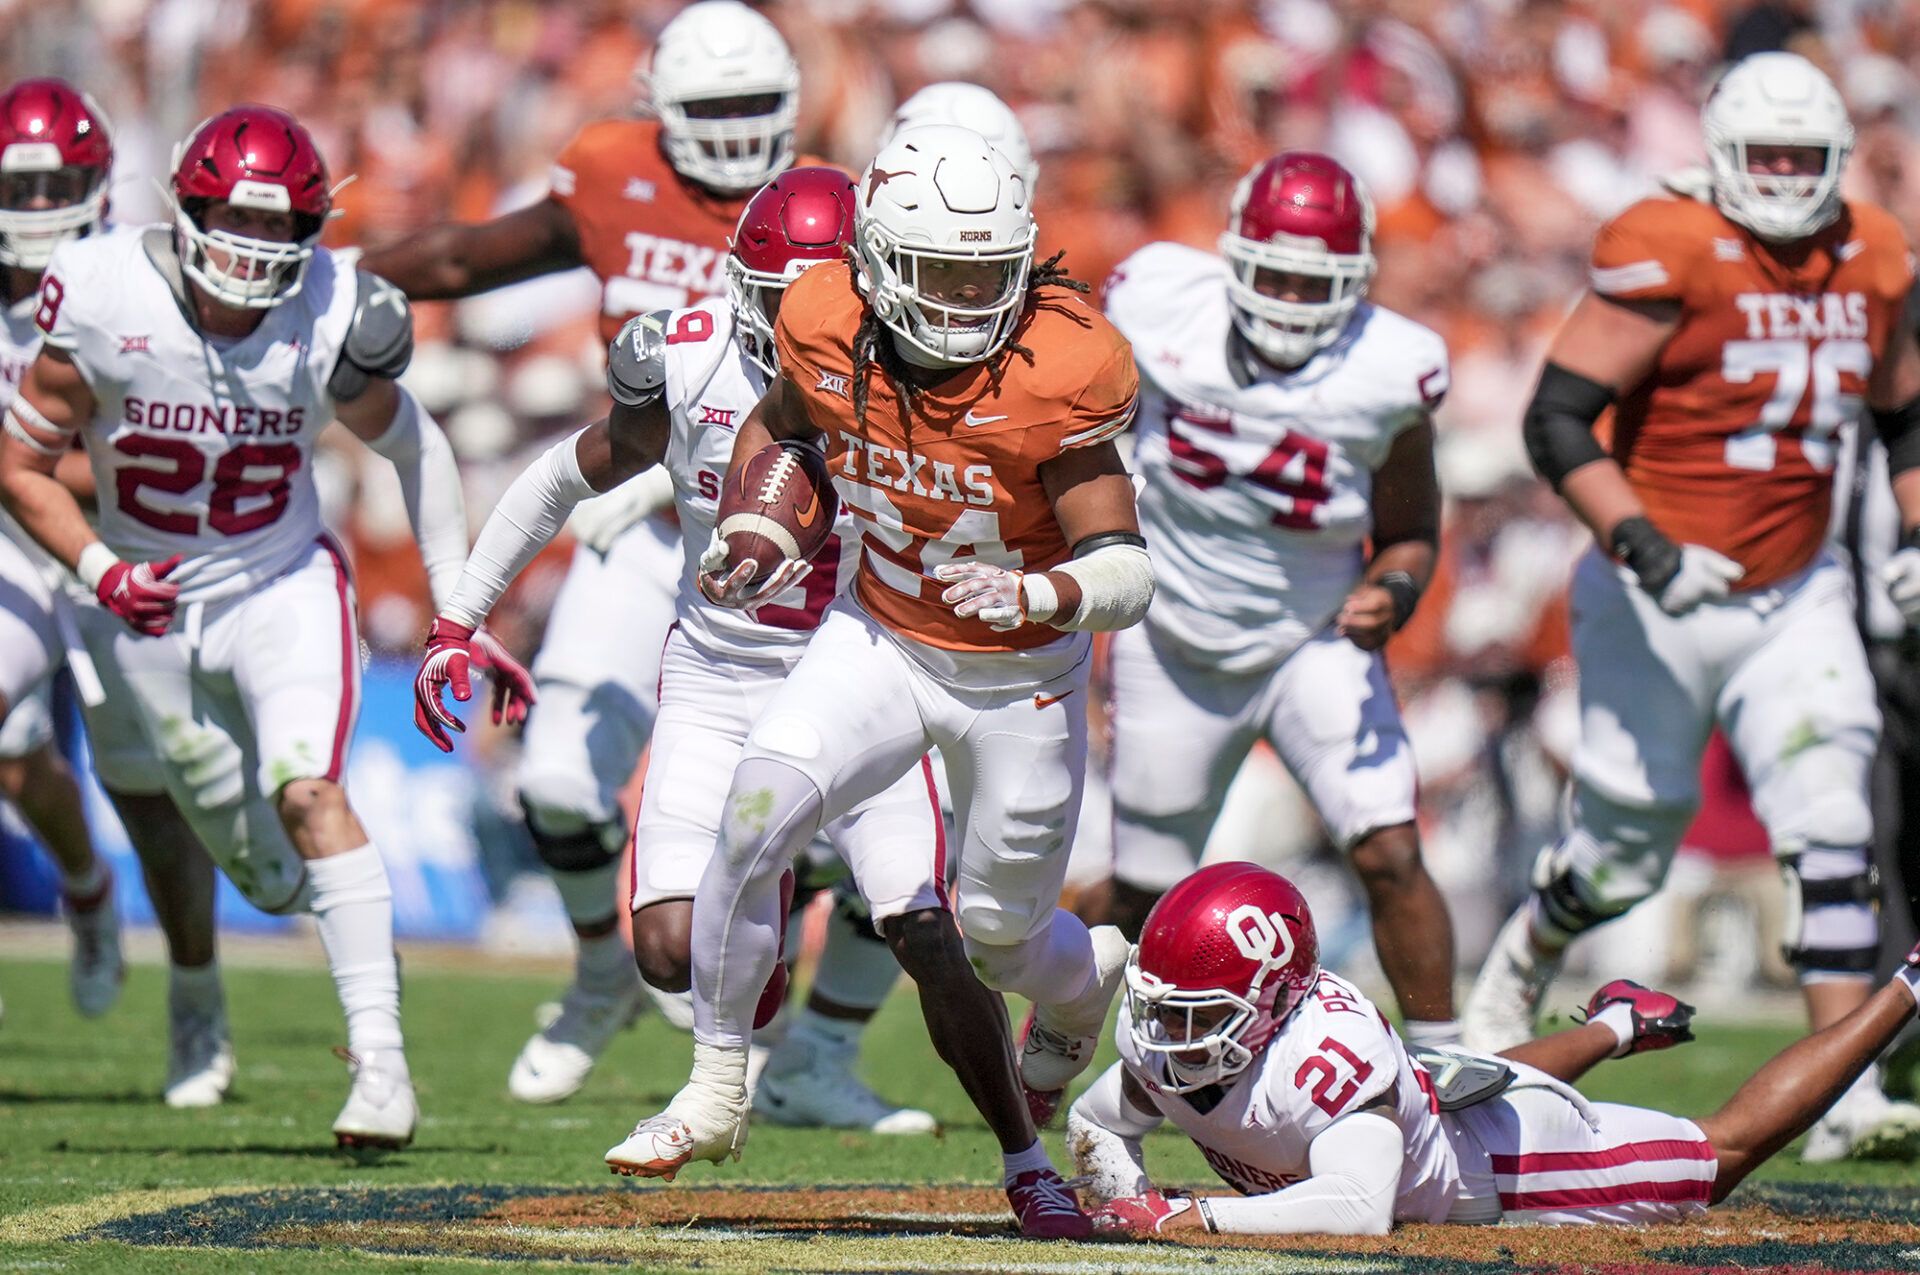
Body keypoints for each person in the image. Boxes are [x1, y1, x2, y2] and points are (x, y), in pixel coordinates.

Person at [362, 4, 910, 1122]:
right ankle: (604, 971)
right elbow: (472, 253)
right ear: (659, 112)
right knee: (559, 781)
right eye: (708, 110)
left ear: (793, 113)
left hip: (808, 547)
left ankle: (813, 1052)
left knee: (887, 834)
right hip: (655, 519)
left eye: (754, 110)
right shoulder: (616, 174)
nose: (731, 132)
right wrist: (336, 277)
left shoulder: (826, 209)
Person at [602, 123, 1151, 1238]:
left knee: (1000, 938)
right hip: (883, 636)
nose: (960, 298)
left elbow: (1126, 566)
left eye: (985, 274)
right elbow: (785, 422)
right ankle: (717, 1085)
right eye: (937, 270)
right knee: (755, 809)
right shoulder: (822, 318)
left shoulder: (1066, 363)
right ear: (877, 264)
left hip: (1017, 680)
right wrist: (760, 521)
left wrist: (1045, 596)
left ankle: (1087, 981)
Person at [0, 104, 530, 1149]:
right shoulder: (103, 292)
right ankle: (184, 963)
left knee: (312, 791)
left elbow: (417, 450)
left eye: (278, 227)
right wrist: (104, 572)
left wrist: (457, 613)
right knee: (246, 863)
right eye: (232, 223)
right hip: (141, 599)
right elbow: (19, 466)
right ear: (186, 213)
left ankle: (380, 1068)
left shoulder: (330, 308)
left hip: (278, 581)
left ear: (311, 231)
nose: (251, 251)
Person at [1459, 51, 1920, 1161]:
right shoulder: (1664, 244)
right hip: (1651, 592)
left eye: (1804, 160)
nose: (1783, 179)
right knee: (1623, 851)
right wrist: (1647, 546)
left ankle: (1839, 1095)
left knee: (1833, 817)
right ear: (1717, 156)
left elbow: (1905, 417)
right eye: (1763, 157)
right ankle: (1516, 967)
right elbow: (1558, 420)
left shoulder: (1875, 251)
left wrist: (1913, 530)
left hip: (1795, 589)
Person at [1075, 152, 1457, 1046]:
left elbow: (1410, 530)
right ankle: (1057, 1047)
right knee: (1142, 894)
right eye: (1271, 272)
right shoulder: (1159, 300)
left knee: (1391, 849)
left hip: (1310, 637)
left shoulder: (1389, 369)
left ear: (1357, 281)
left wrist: (1393, 590)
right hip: (1172, 634)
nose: (1287, 298)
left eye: (1311, 280)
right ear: (1231, 256)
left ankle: (1447, 1064)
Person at [1070, 860, 1920, 1235]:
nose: (1164, 1036)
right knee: (1443, 1097)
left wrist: (1189, 1214)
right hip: (1438, 1111)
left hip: (1503, 1172)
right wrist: (1123, 1197)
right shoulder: (1187, 1044)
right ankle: (1615, 1024)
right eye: (1163, 1007)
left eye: (1193, 1012)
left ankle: (1907, 986)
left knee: (1716, 1154)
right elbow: (1098, 1120)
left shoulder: (1318, 1061)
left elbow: (1358, 1209)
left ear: (1274, 997)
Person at [0, 77, 124, 1026]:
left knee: (171, 777)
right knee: (11, 750)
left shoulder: (121, 286)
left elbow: (156, 455)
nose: (38, 208)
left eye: (57, 187)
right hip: (12, 543)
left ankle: (106, 901)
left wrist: (30, 469)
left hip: (115, 538)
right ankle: (85, 888)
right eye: (22, 187)